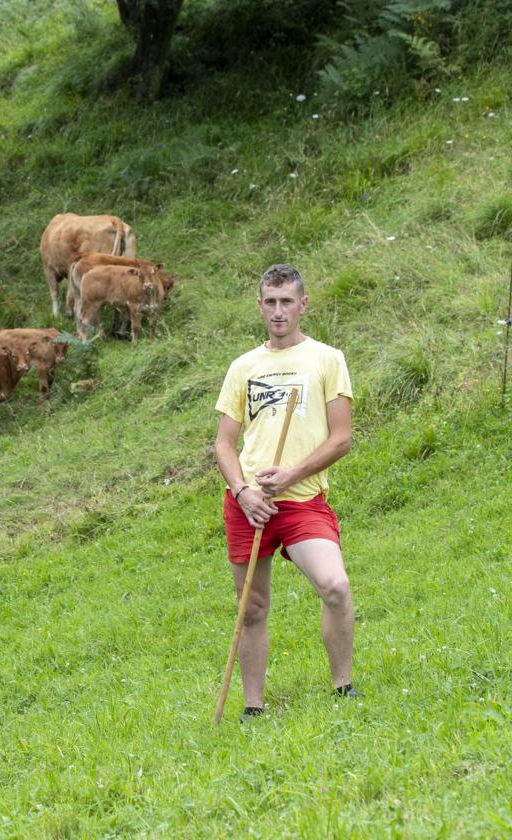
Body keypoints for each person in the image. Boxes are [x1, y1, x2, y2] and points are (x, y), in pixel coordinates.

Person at [212, 264, 356, 720]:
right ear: (260, 306)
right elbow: (223, 444)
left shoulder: (326, 359)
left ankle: (343, 687)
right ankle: (254, 707)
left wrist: (291, 474)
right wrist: (241, 492)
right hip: (250, 506)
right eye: (270, 302)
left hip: (300, 501)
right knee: (252, 608)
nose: (278, 311)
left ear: (303, 305)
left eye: (287, 302)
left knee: (334, 586)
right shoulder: (243, 367)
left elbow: (341, 438)